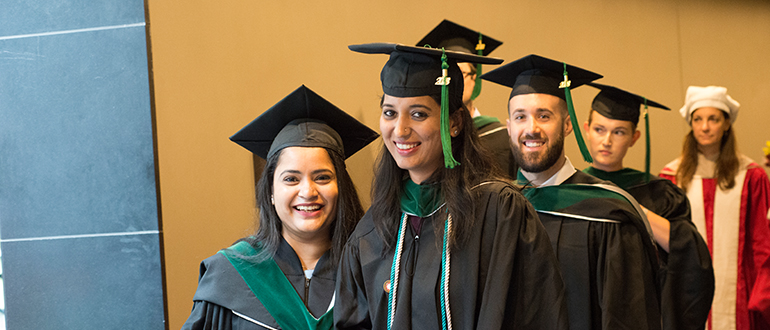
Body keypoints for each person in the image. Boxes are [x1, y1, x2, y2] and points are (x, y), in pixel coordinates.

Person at [335, 43, 568, 329]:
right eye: (390, 113)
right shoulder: (372, 230)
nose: (400, 129)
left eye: (418, 114)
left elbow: (538, 316)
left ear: (455, 122)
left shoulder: (500, 213)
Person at [481, 55, 661, 330]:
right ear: (509, 127)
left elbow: (627, 318)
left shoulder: (607, 213)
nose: (531, 129)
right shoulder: (492, 208)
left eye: (544, 116)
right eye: (521, 117)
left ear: (567, 125)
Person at [181, 85, 378, 330]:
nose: (308, 192)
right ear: (271, 193)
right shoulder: (229, 276)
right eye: (291, 179)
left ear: (341, 188)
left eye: (323, 177)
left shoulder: (372, 272)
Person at [581, 83, 714, 330]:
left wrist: (630, 207)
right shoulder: (571, 190)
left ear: (634, 137)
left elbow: (690, 256)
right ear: (587, 130)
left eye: (619, 132)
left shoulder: (659, 193)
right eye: (600, 129)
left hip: (640, 311)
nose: (607, 141)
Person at [660, 85, 770, 330]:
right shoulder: (671, 176)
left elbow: (762, 240)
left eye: (713, 119)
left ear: (727, 123)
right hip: (687, 291)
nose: (705, 127)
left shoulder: (751, 176)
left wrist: (762, 293)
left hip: (740, 293)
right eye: (698, 119)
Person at [416, 19, 518, 177]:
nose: (454, 82)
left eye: (462, 74)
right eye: (446, 74)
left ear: (475, 78)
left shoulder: (502, 138)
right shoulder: (424, 137)